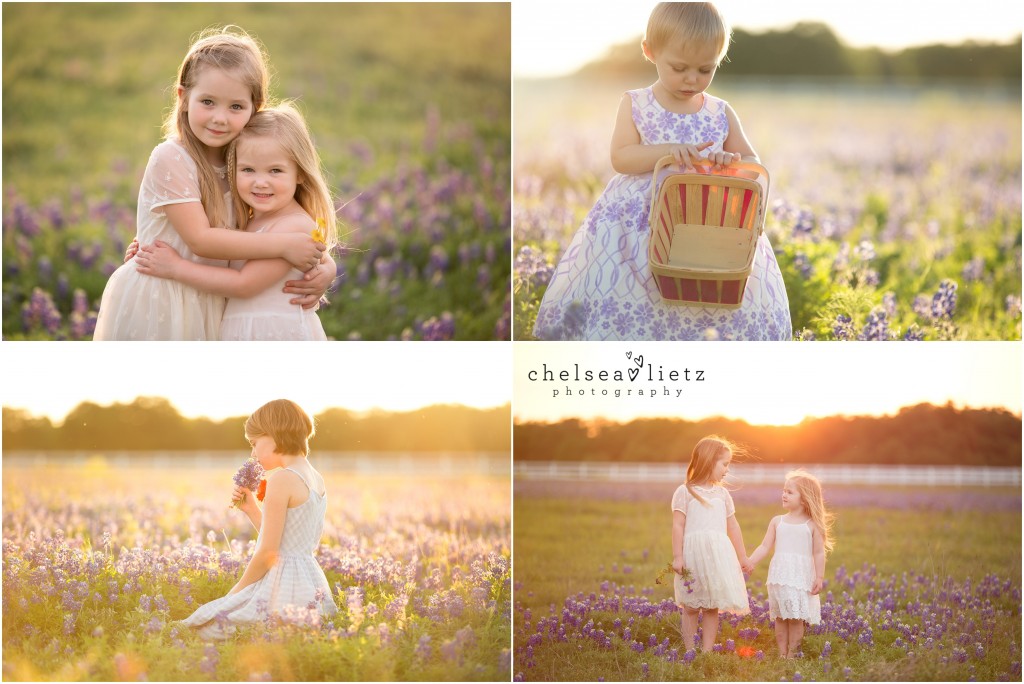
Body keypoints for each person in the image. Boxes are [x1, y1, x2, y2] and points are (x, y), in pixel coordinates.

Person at [533, 2, 791, 341]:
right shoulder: (636, 103)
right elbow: (621, 157)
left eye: (705, 69)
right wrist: (667, 154)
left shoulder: (720, 111)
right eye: (680, 67)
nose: (692, 78)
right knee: (636, 288)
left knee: (706, 281)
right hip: (640, 219)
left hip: (704, 217)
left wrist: (731, 160)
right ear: (650, 51)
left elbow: (752, 163)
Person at [93, 26, 334, 340]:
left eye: (235, 107)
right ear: (183, 98)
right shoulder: (172, 157)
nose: (220, 118)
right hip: (166, 293)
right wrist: (286, 246)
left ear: (254, 108)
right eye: (208, 102)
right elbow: (201, 239)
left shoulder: (243, 163)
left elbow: (271, 225)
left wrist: (325, 267)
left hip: (213, 297)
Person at [134, 104, 338, 340]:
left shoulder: (294, 226)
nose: (261, 182)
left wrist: (176, 268)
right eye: (248, 169)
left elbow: (244, 284)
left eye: (275, 171)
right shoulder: (248, 219)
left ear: (300, 173)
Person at [180, 399, 337, 639]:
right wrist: (252, 509)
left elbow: (268, 554)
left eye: (254, 443)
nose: (252, 453)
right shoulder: (316, 477)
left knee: (204, 630)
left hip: (283, 585)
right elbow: (289, 541)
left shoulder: (281, 479)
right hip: (311, 583)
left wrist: (233, 595)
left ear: (274, 434)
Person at [671, 435, 751, 652]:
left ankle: (706, 652)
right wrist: (678, 557)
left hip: (717, 555)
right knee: (690, 605)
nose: (727, 469)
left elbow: (733, 526)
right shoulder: (685, 491)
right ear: (708, 460)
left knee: (711, 606)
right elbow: (678, 525)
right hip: (692, 556)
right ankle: (689, 649)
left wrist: (743, 556)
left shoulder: (722, 494)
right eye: (724, 464)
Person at [747, 469, 834, 658]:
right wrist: (749, 561)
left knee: (795, 618)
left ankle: (792, 655)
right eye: (784, 490)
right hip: (779, 577)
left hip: (800, 577)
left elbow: (819, 553)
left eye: (790, 492)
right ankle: (781, 653)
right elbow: (764, 546)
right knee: (780, 617)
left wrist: (819, 576)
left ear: (804, 499)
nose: (784, 494)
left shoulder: (812, 525)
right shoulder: (777, 521)